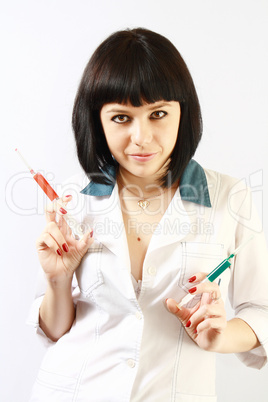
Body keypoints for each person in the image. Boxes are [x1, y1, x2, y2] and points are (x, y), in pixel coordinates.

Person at [28, 28, 268, 401]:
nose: (142, 137)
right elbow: (58, 331)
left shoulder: (229, 197)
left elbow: (262, 310)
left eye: (158, 114)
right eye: (121, 118)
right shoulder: (74, 198)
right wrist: (57, 281)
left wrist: (220, 334)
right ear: (98, 122)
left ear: (182, 112)